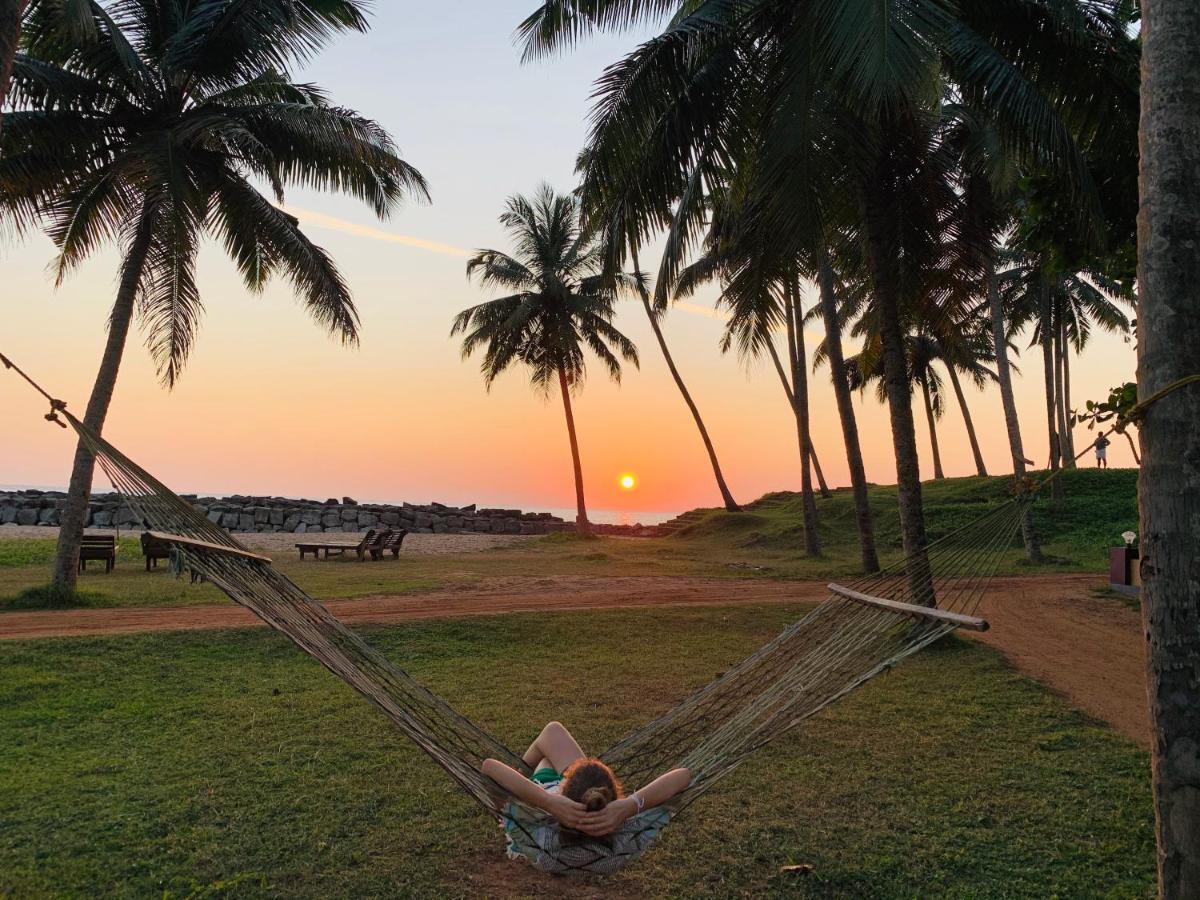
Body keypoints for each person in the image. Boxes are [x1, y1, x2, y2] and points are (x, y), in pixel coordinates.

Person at [482, 721, 691, 839]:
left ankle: (505, 817)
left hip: (541, 789)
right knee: (552, 734)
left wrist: (549, 802)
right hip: (577, 793)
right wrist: (628, 806)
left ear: (565, 783)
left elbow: (490, 767)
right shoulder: (618, 817)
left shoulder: (535, 813)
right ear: (612, 795)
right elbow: (683, 775)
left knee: (550, 738)